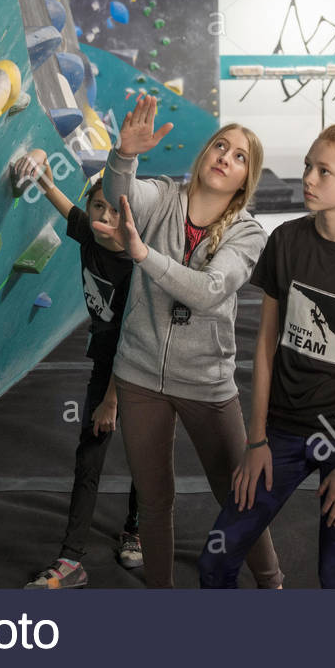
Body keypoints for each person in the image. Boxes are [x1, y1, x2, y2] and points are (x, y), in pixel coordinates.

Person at [199, 123, 335, 588]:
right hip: (281, 430)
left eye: (324, 171)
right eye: (307, 166)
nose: (308, 179)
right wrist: (256, 440)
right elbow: (264, 346)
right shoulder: (287, 241)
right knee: (216, 559)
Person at [93, 94, 282, 588]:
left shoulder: (248, 233)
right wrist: (124, 155)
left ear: (246, 178)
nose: (226, 156)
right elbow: (120, 197)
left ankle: (272, 582)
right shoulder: (162, 197)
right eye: (221, 146)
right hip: (139, 376)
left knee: (237, 496)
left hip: (206, 382)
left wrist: (142, 255)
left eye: (240, 156)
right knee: (154, 503)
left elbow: (206, 292)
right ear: (204, 157)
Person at [14, 149, 142, 588]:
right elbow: (68, 208)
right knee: (89, 459)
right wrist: (44, 178)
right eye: (98, 206)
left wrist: (111, 400)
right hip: (105, 364)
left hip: (145, 373)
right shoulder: (89, 234)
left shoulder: (137, 269)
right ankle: (71, 560)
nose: (104, 217)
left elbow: (135, 341)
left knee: (145, 459)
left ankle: (136, 531)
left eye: (113, 209)